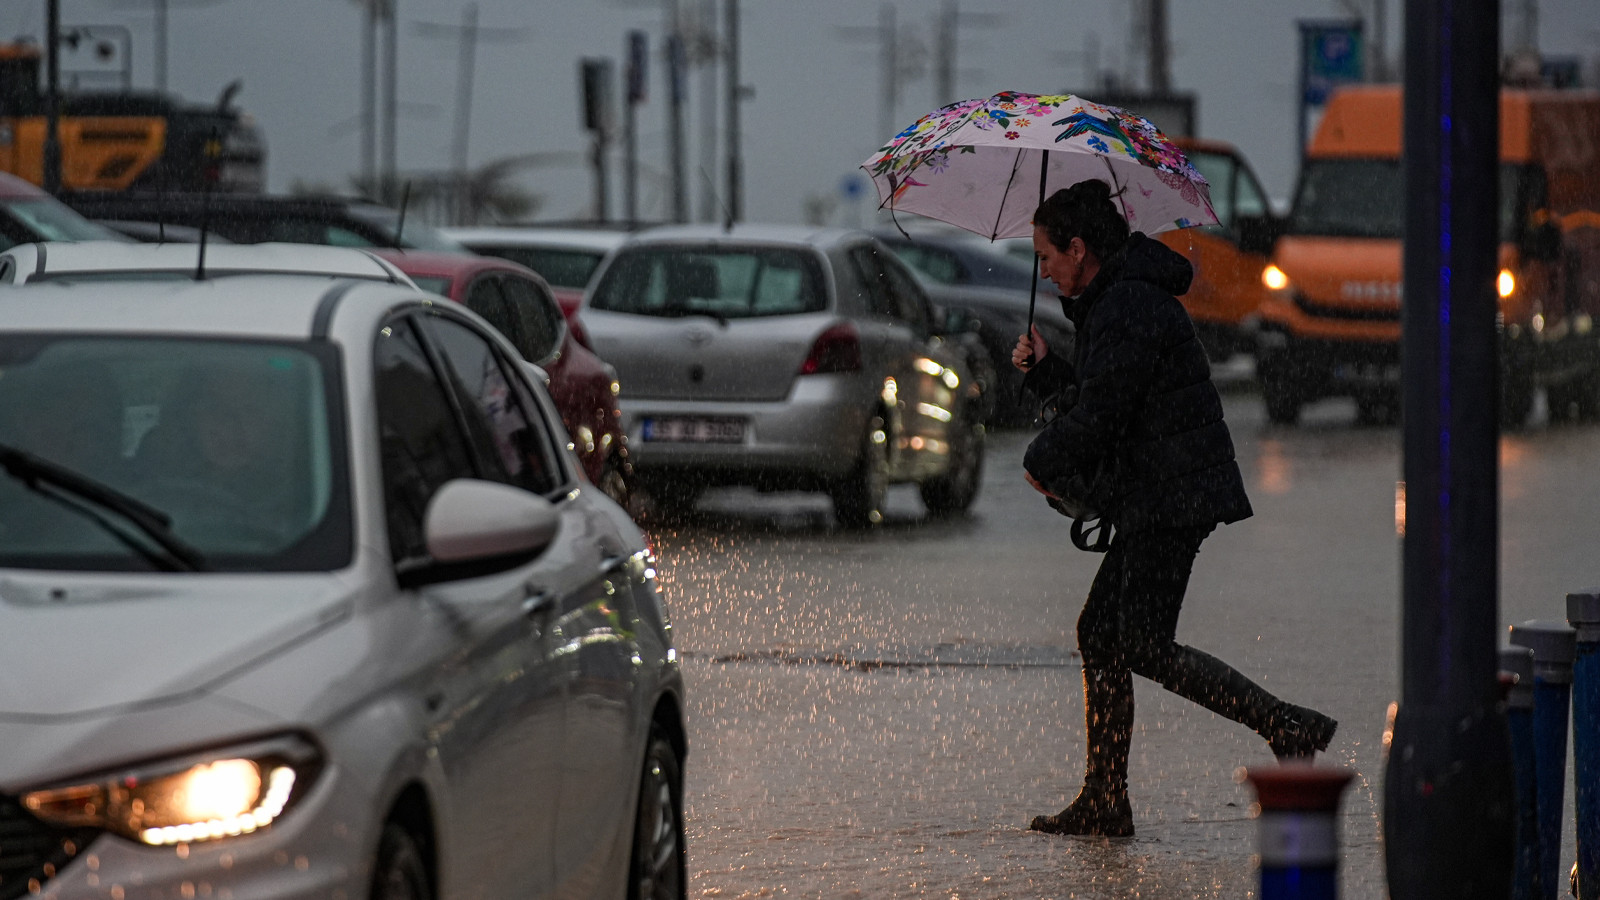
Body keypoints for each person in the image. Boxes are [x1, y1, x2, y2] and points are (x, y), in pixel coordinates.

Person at [1011, 179, 1337, 838]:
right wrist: (1047, 373)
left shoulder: (1126, 304)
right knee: (1101, 635)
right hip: (1160, 491)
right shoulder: (1115, 300)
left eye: (1046, 255)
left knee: (1141, 644)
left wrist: (1042, 459)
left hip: (1172, 493)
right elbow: (1105, 394)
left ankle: (1285, 725)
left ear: (1078, 249)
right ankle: (1106, 797)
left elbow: (1103, 415)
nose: (1043, 271)